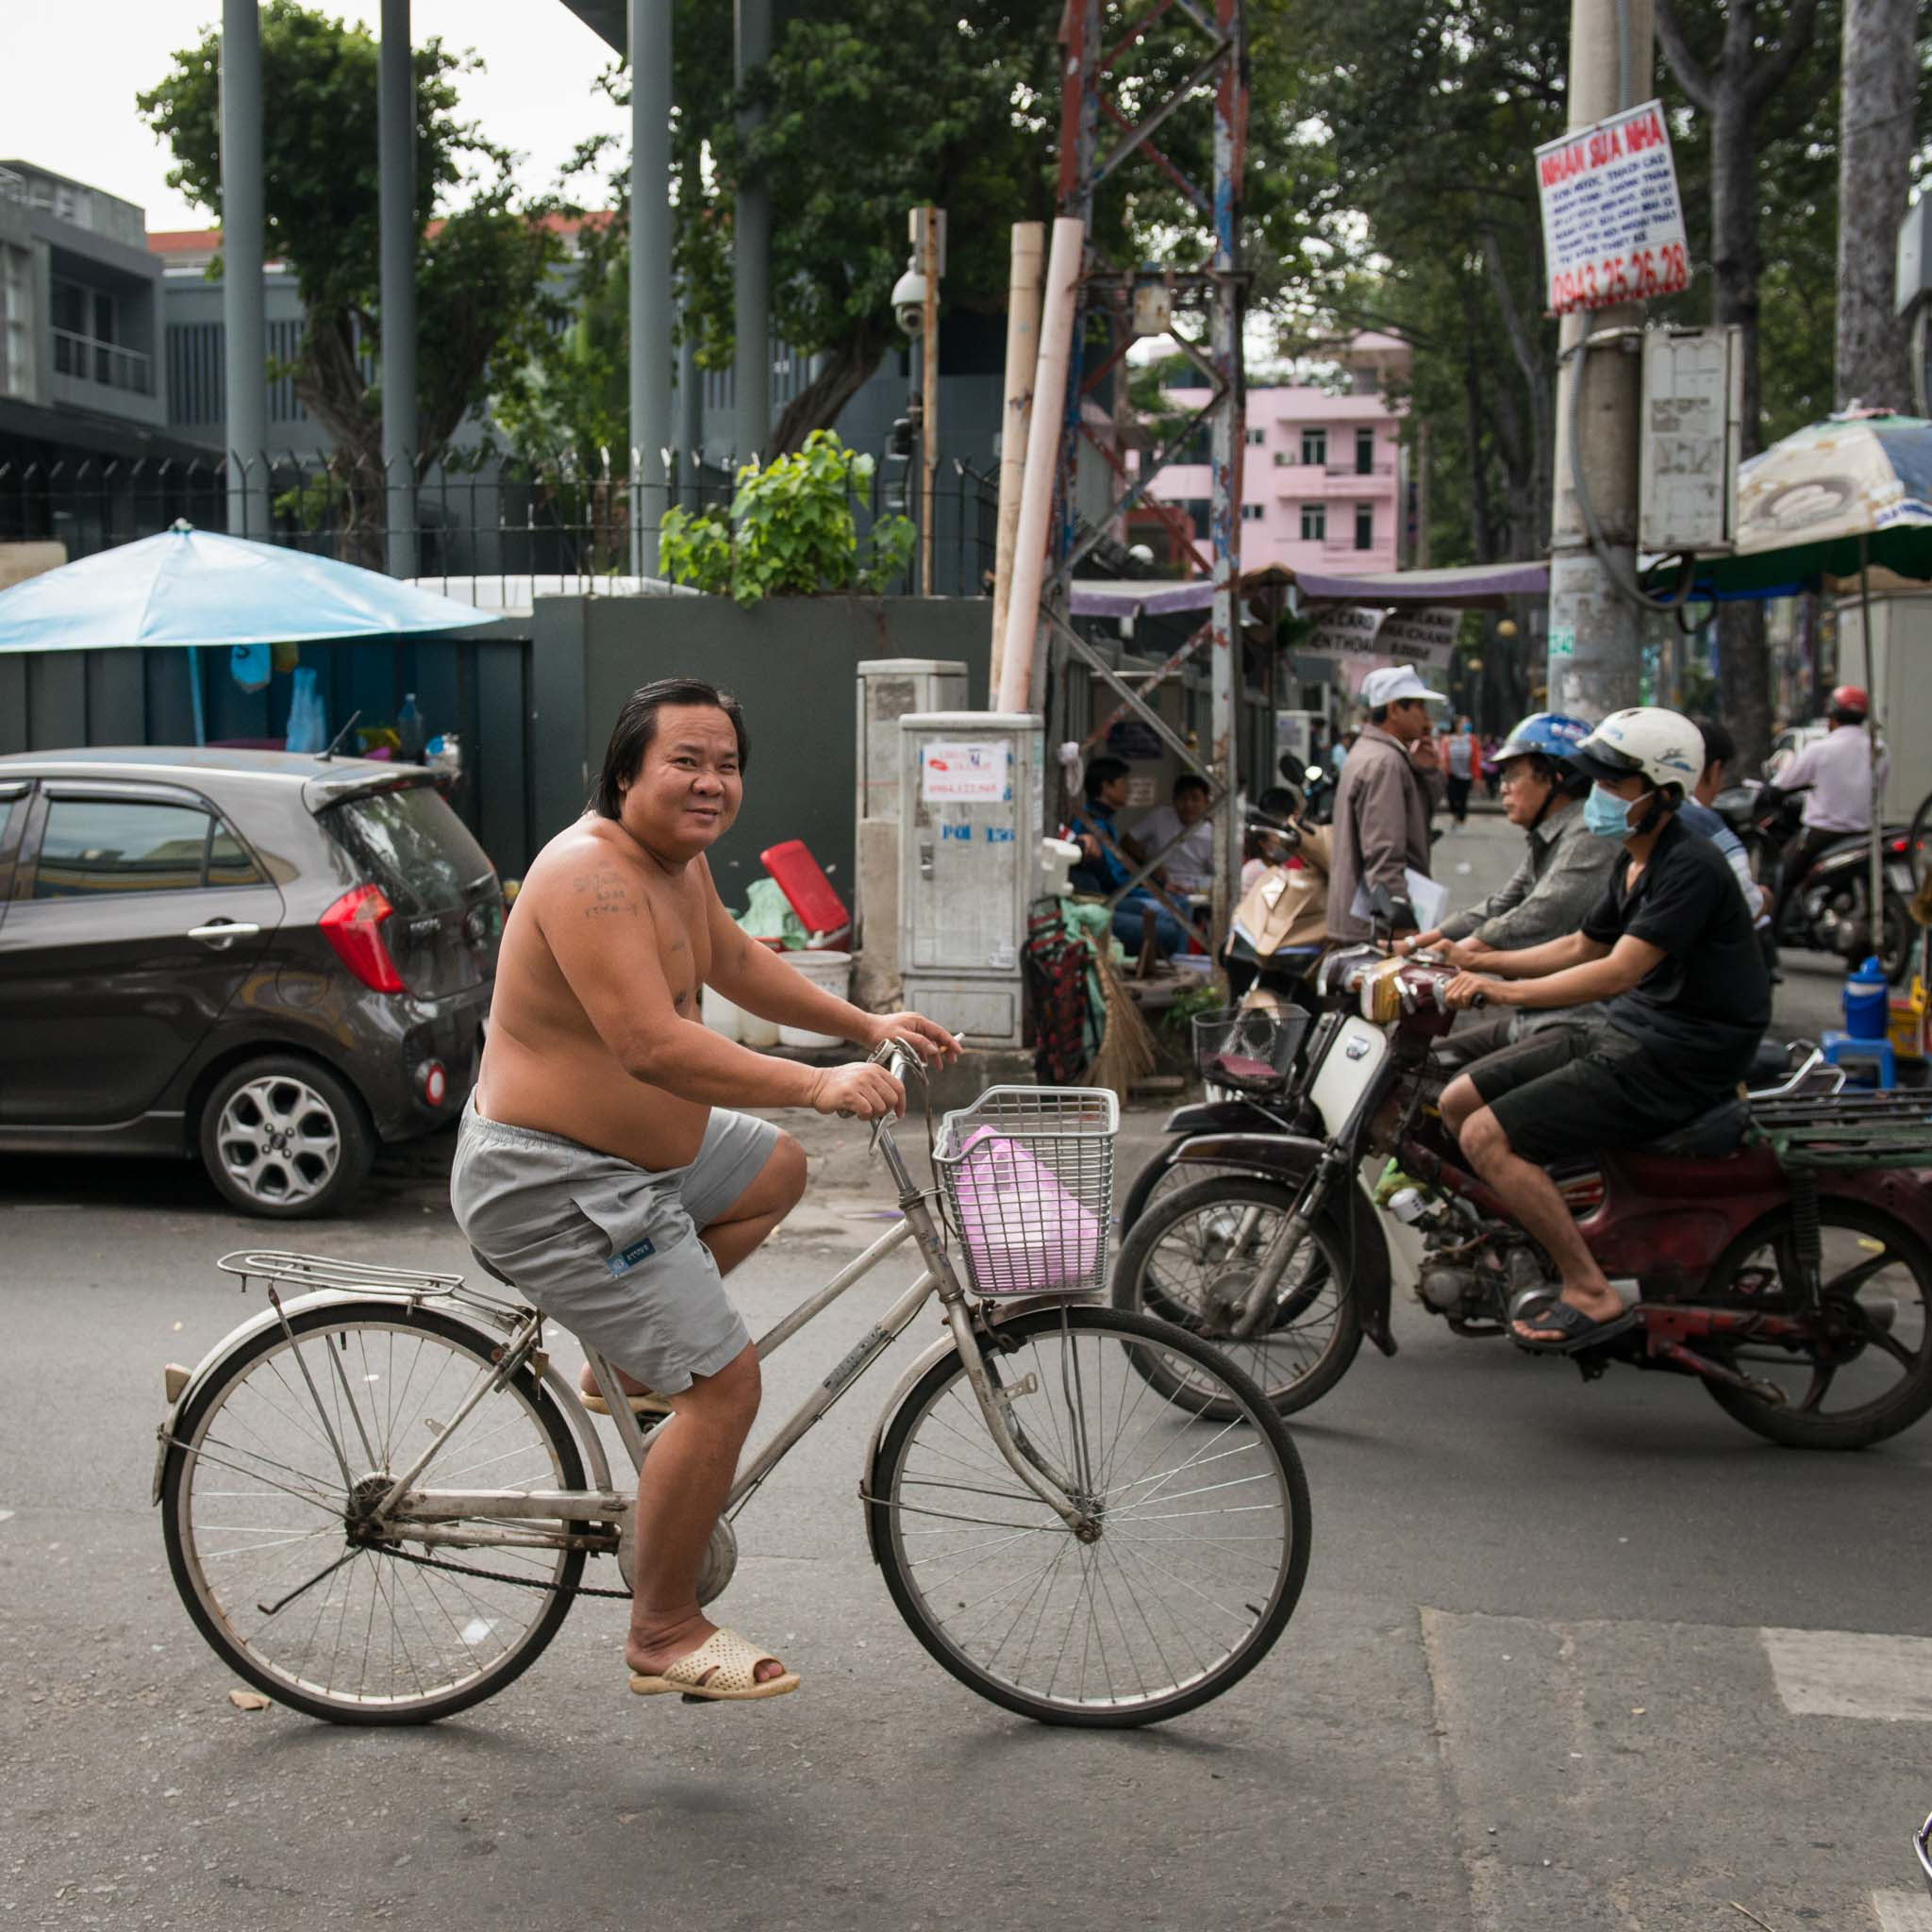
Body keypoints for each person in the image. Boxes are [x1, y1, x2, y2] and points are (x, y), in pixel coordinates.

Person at [450, 677, 958, 1704]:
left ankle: (628, 1365)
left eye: (726, 763)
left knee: (775, 1164)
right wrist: (815, 1078)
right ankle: (662, 1625)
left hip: (629, 1165)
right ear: (626, 771)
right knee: (726, 1385)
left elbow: (731, 960)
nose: (710, 781)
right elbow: (647, 1043)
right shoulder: (590, 874)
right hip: (554, 1180)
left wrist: (867, 1026)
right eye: (684, 760)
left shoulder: (673, 866)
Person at [1435, 707, 1772, 1354]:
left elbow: (1615, 971)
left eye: (1615, 786)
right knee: (1456, 1100)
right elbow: (1581, 946)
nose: (1599, 799)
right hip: (1634, 1031)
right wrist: (1478, 956)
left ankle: (1590, 1287)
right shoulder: (1634, 861)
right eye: (1595, 784)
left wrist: (1503, 990)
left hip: (1678, 1054)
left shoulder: (1689, 867)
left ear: (1664, 795)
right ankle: (1534, 1239)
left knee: (1486, 1135)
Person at [1395, 712, 1615, 1065]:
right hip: (1536, 1013)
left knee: (1464, 1100)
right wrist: (1415, 945)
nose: (1503, 787)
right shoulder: (1548, 834)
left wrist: (1458, 956)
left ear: (1556, 778)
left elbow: (1535, 916)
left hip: (1579, 1019)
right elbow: (1501, 903)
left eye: (1513, 775)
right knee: (1427, 1066)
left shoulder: (1586, 836)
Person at [1326, 665, 1446, 941]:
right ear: (1394, 709)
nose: (1427, 720)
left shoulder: (1377, 754)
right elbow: (1383, 849)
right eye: (1420, 708)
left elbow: (1416, 813)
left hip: (1367, 920)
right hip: (1375, 926)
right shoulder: (1385, 763)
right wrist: (1398, 917)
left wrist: (1426, 771)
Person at [1767, 684, 1889, 912]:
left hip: (1822, 834)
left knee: (1780, 876)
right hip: (1865, 833)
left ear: (1831, 717)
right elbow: (1877, 789)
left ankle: (1769, 933)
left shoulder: (1820, 749)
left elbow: (1783, 783)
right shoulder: (1879, 749)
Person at [1067, 756, 1191, 956]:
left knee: (1180, 904)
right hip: (1107, 899)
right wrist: (1155, 887)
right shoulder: (1093, 824)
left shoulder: (1103, 821)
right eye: (1123, 782)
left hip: (1115, 894)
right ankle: (1179, 961)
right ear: (1106, 787)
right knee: (1175, 912)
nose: (1128, 789)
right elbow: (1114, 879)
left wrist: (1157, 885)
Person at [1679, 719, 1776, 974]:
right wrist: (1764, 898)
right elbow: (1749, 906)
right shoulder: (1707, 825)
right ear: (1713, 770)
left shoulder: (1641, 817)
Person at [1133, 773, 1215, 894]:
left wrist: (1197, 888)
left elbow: (1217, 873)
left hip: (1195, 888)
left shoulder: (1213, 832)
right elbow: (1128, 840)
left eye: (1195, 799)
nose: (1188, 804)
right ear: (1174, 801)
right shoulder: (1160, 816)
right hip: (1158, 884)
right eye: (1183, 798)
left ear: (1206, 802)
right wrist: (1151, 865)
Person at [1441, 715, 1479, 827]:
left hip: (1466, 775)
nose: (1466, 725)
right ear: (1457, 725)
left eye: (1467, 723)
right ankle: (1455, 816)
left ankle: (1461, 820)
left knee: (1463, 798)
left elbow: (1476, 758)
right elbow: (1443, 757)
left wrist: (1477, 776)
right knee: (1451, 797)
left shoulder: (1471, 739)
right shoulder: (1448, 739)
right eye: (1463, 723)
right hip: (1451, 774)